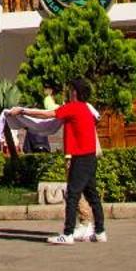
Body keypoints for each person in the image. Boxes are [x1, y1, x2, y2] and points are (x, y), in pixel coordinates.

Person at [41, 80, 106, 245]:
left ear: (75, 92)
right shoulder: (86, 108)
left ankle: (68, 234)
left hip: (80, 157)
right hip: (90, 157)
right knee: (93, 196)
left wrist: (22, 112)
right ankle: (100, 232)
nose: (69, 93)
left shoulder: (74, 107)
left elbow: (48, 114)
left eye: (71, 90)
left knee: (72, 195)